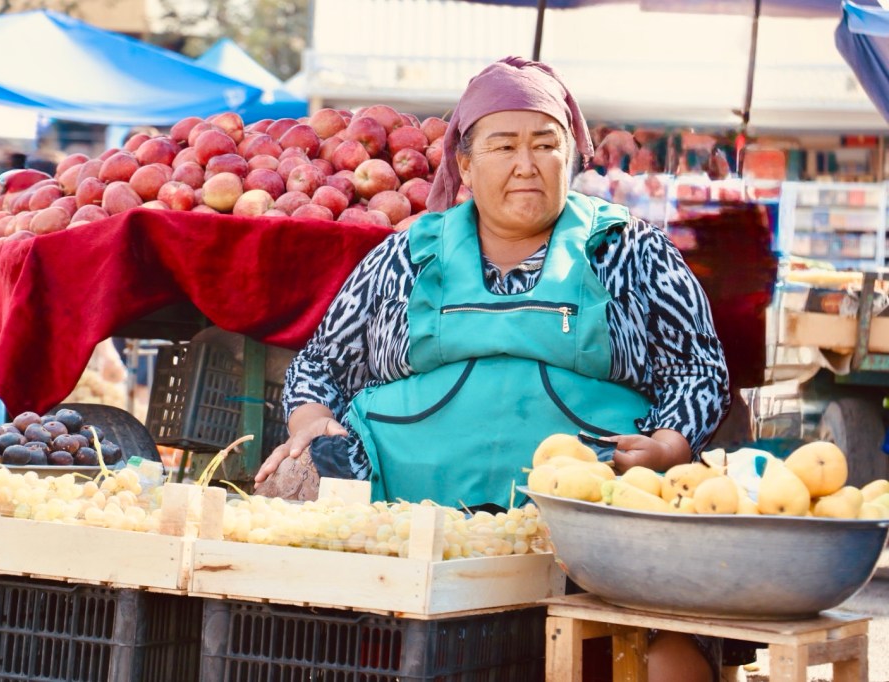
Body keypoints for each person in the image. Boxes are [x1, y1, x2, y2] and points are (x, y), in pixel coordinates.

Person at [255, 56, 730, 682]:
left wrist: (668, 445)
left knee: (663, 654)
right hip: (408, 536)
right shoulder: (407, 254)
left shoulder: (629, 249)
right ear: (465, 163)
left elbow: (699, 368)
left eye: (545, 145)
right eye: (504, 146)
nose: (526, 164)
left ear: (572, 156)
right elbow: (322, 362)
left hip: (587, 539)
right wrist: (311, 420)